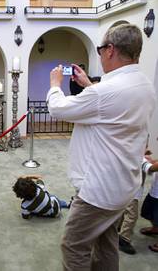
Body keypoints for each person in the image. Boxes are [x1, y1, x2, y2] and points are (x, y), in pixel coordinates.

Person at [47, 24, 156, 270]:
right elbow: (111, 106)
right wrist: (88, 84)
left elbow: (57, 108)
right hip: (124, 187)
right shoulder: (145, 86)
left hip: (98, 192)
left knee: (74, 246)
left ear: (110, 50)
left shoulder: (104, 93)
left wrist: (55, 84)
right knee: (106, 244)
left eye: (99, 49)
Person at [118, 150, 151, 255]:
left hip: (124, 190)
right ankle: (124, 239)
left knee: (122, 211)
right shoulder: (140, 158)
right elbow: (150, 168)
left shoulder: (128, 152)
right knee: (132, 216)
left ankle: (118, 228)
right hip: (133, 193)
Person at [140, 151, 158, 252]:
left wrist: (142, 161)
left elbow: (152, 168)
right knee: (149, 212)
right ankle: (156, 228)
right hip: (155, 191)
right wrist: (151, 161)